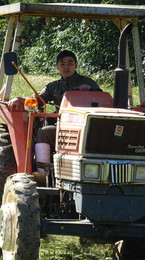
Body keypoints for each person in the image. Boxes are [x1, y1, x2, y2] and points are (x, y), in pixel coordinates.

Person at [34, 50, 101, 185]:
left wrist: (89, 93)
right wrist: (23, 101)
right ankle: (43, 176)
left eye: (70, 63)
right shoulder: (52, 86)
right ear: (57, 67)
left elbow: (102, 104)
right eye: (62, 64)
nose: (66, 67)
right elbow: (38, 101)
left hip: (86, 129)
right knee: (43, 132)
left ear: (76, 65)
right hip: (62, 127)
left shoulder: (89, 83)